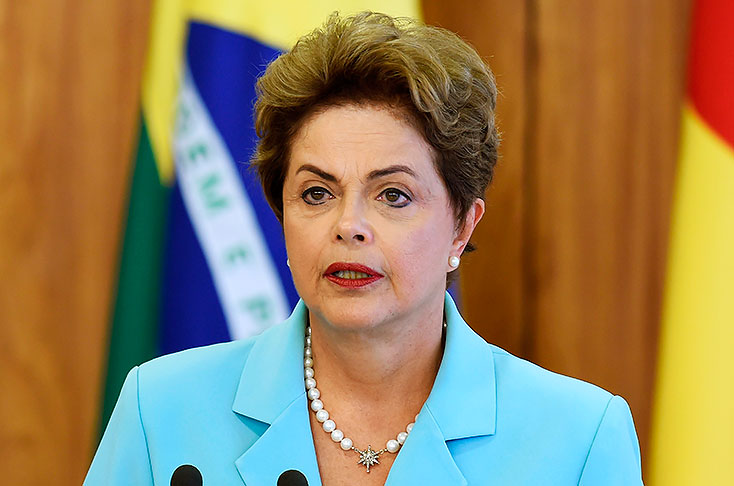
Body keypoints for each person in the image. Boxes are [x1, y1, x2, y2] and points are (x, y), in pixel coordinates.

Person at [86, 11, 643, 485]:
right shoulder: (161, 412)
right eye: (317, 193)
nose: (349, 226)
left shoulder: (579, 440)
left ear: (462, 227)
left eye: (393, 195)